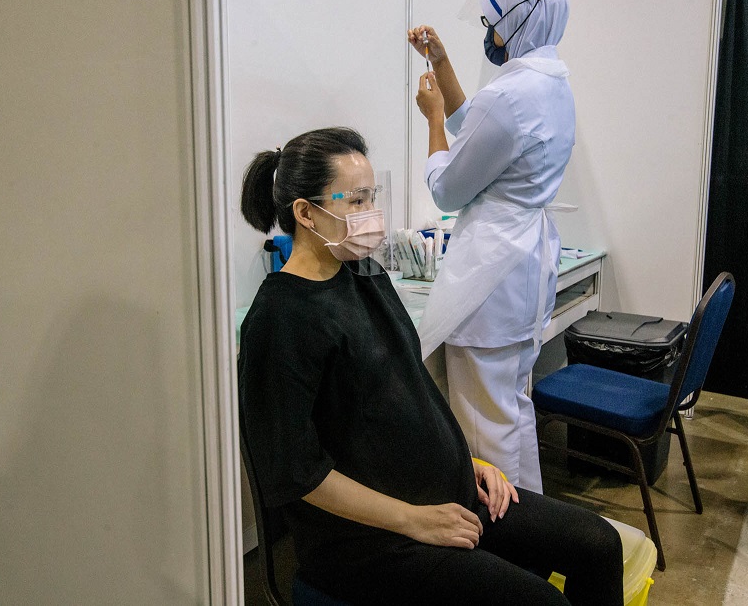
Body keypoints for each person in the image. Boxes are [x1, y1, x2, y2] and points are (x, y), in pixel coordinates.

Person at [238, 126, 622, 605]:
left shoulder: (364, 274)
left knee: (599, 544)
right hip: (366, 539)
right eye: (355, 201)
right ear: (304, 213)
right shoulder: (281, 322)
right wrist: (414, 520)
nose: (370, 215)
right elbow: (296, 474)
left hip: (441, 494)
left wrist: (469, 462)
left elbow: (410, 392)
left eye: (371, 198)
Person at [406, 0, 574, 492]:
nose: (490, 33)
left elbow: (447, 190)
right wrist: (441, 60)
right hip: (523, 269)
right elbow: (475, 127)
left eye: (492, 21)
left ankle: (505, 551)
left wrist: (431, 119)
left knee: (483, 433)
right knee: (512, 413)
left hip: (492, 274)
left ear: (516, 21)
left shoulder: (511, 95)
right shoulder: (551, 84)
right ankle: (537, 539)